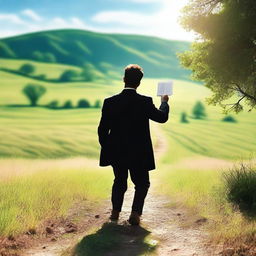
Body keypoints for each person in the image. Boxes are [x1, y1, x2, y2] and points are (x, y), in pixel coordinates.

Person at [98, 64, 169, 225]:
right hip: (139, 153)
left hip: (116, 151)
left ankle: (115, 213)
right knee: (142, 183)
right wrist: (164, 102)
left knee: (119, 181)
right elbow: (161, 118)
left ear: (124, 79)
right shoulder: (145, 102)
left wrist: (108, 148)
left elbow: (102, 130)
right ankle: (135, 214)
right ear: (139, 83)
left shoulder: (110, 102)